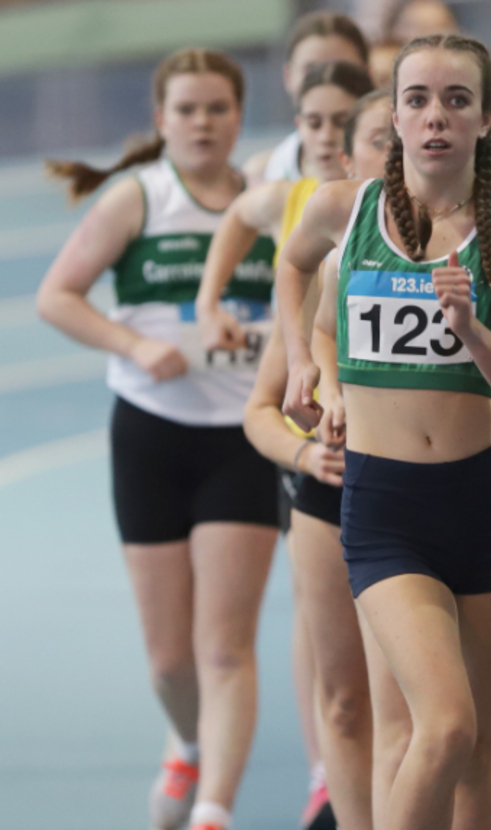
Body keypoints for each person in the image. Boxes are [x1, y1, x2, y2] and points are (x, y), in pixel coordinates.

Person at [276, 34, 491, 830]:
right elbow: (292, 264)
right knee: (442, 727)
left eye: (456, 100)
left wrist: (474, 333)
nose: (435, 116)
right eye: (417, 100)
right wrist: (306, 360)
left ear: (484, 122)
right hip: (386, 510)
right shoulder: (347, 208)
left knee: (477, 749)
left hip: (485, 503)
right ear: (395, 118)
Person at [36, 49, 278, 830]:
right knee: (171, 662)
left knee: (225, 648)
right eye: (187, 110)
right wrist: (134, 346)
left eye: (217, 108)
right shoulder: (135, 200)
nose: (203, 122)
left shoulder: (275, 205)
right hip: (151, 435)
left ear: (239, 116)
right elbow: (57, 297)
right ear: (161, 121)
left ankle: (213, 811)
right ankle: (185, 739)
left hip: (242, 438)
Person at [196, 63, 375, 830]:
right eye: (318, 125)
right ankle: (329, 791)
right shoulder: (306, 241)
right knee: (342, 693)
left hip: (436, 493)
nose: (332, 143)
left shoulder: (474, 242)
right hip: (327, 487)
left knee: (435, 715)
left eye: (351, 126)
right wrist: (211, 304)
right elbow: (264, 411)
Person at [244, 11, 370, 185]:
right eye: (311, 71)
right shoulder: (265, 174)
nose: (326, 80)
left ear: (367, 73)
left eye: (342, 70)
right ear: (288, 76)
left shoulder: (400, 168)